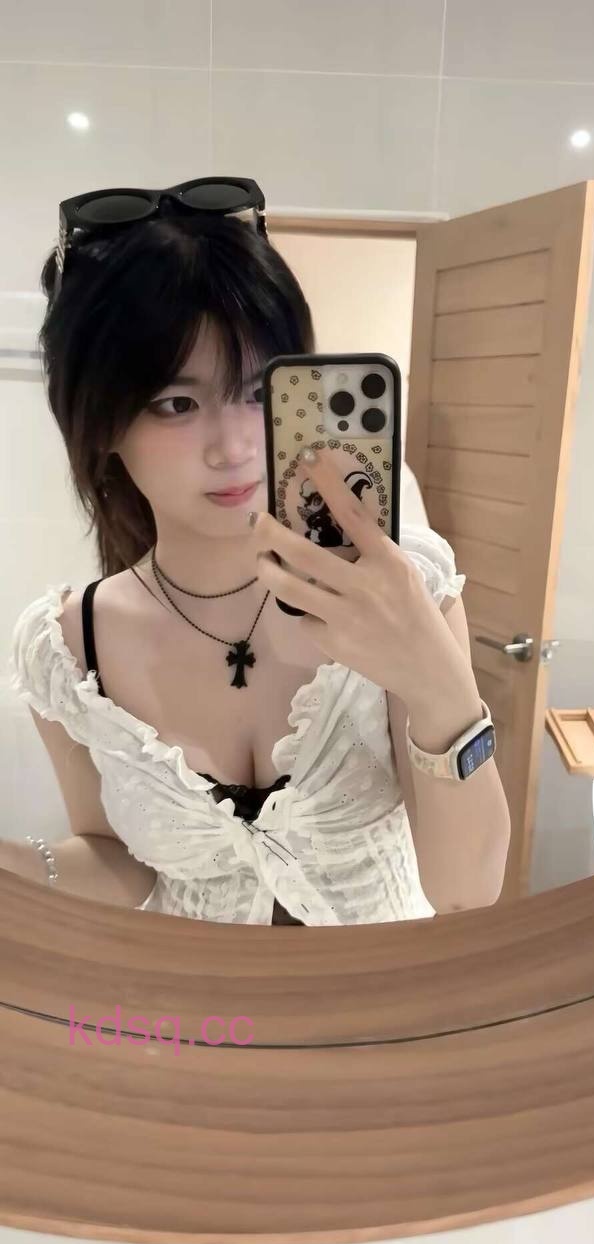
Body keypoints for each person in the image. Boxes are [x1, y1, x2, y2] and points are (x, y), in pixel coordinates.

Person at [4, 177, 510, 926]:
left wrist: (437, 683)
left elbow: (467, 890)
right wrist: (22, 866)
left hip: (382, 990)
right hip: (190, 996)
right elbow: (116, 857)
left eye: (257, 392)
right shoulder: (67, 649)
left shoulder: (398, 588)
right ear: (101, 423)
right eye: (177, 403)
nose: (234, 446)